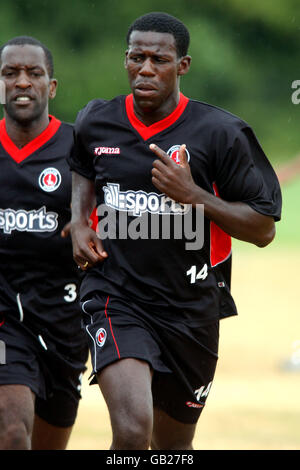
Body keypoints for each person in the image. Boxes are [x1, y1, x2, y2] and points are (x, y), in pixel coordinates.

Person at [69, 12, 282, 450]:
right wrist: (77, 219)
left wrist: (195, 195)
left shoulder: (220, 133)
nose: (145, 69)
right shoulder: (96, 120)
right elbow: (82, 168)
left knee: (173, 449)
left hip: (190, 311)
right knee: (131, 433)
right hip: (115, 295)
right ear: (125, 60)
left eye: (159, 60)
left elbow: (262, 229)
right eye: (136, 58)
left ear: (182, 65)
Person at [0, 36, 88, 450]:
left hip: (64, 321)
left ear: (51, 87)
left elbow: (113, 221)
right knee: (13, 432)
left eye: (33, 73)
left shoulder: (81, 151)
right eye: (9, 73)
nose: (21, 82)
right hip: (5, 316)